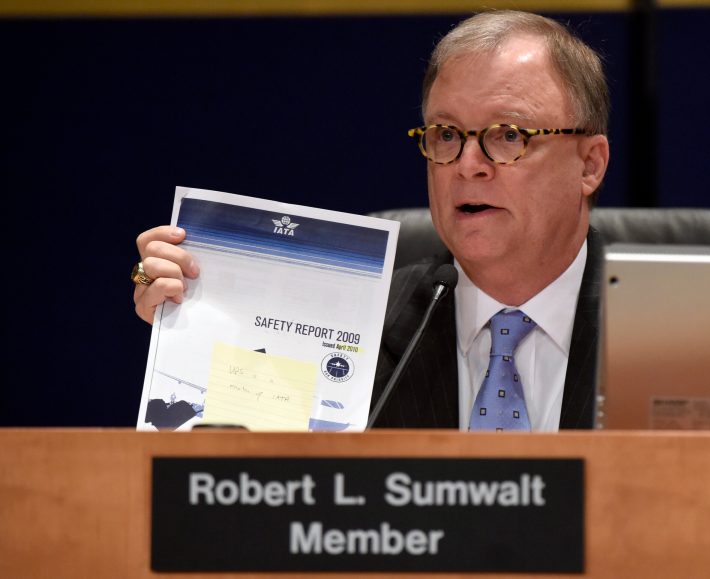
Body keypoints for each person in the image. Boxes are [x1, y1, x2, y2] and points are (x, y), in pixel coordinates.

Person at [132, 10, 609, 432]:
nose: (467, 164)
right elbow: (242, 492)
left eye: (508, 135)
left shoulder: (667, 331)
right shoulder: (361, 325)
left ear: (589, 165)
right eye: (446, 134)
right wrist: (190, 322)